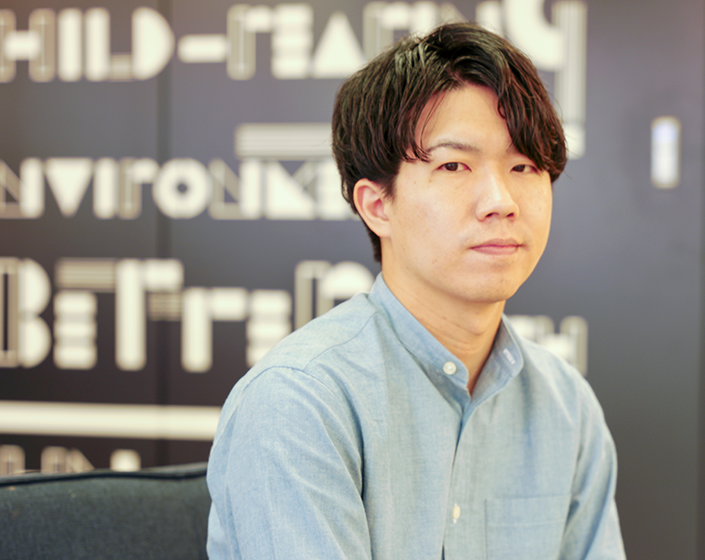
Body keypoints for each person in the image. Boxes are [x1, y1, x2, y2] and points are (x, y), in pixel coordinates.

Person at [205, 22, 625, 560]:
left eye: (523, 165)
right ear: (377, 205)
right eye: (454, 165)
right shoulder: (299, 402)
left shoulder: (565, 406)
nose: (501, 201)